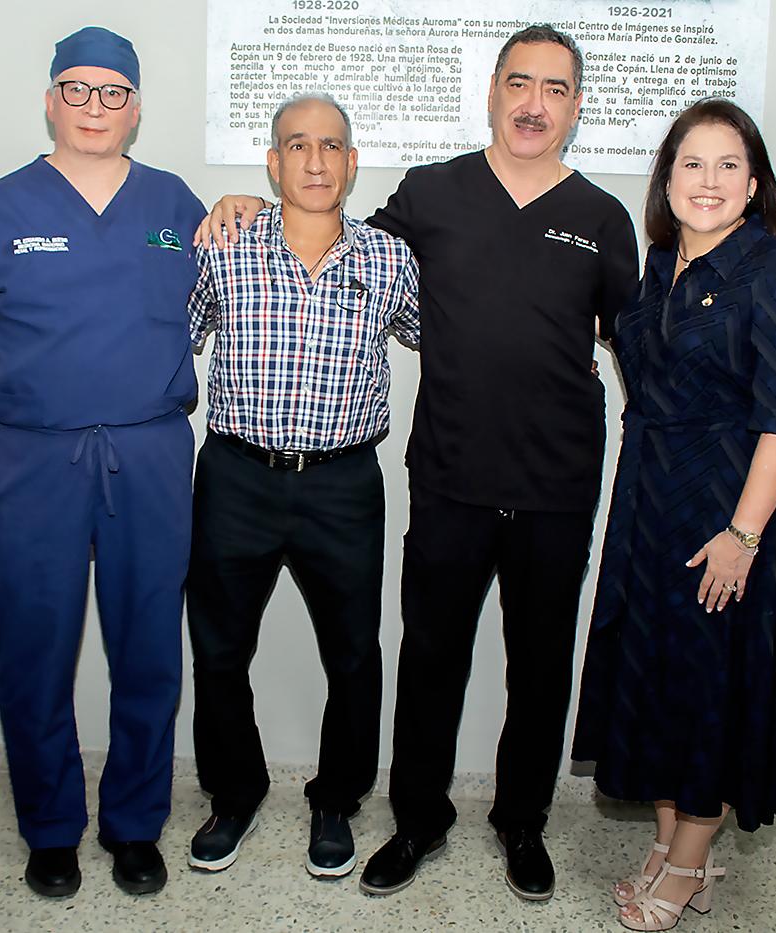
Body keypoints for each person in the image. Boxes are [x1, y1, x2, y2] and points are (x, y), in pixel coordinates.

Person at [198, 25, 638, 900]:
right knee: (430, 658)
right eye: (519, 82)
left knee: (540, 665)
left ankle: (522, 821)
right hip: (448, 477)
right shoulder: (431, 195)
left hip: (556, 481)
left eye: (554, 89)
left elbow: (636, 346)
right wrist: (242, 199)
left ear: (576, 108)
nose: (533, 102)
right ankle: (417, 820)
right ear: (492, 92)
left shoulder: (601, 218)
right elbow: (327, 220)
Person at [0, 26, 204, 898]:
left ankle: (134, 823)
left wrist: (243, 206)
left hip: (149, 453)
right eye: (76, 89)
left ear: (137, 108)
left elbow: (245, 274)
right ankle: (48, 827)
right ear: (50, 99)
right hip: (32, 461)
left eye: (112, 92)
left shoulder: (174, 204)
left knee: (149, 649)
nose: (94, 108)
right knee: (34, 649)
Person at [570, 98, 776, 931]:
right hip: (651, 506)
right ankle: (675, 846)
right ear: (667, 178)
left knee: (712, 684)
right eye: (692, 163)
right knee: (659, 681)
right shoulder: (655, 267)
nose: (708, 181)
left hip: (728, 512)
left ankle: (684, 865)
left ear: (753, 185)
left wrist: (743, 536)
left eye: (728, 166)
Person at [185, 93, 419, 880]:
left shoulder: (389, 260)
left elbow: (462, 339)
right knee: (218, 650)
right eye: (297, 146)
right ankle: (234, 791)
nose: (315, 161)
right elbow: (164, 320)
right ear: (272, 161)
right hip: (235, 476)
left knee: (353, 654)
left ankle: (337, 799)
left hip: (343, 484)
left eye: (331, 146)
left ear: (352, 163)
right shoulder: (223, 244)